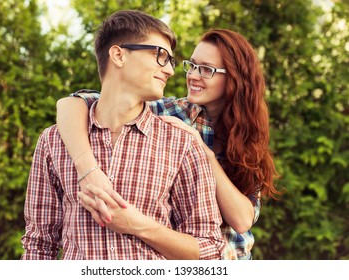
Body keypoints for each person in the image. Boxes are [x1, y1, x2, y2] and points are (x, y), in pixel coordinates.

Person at [56, 28, 281, 260]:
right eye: (191, 66)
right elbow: (71, 105)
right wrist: (88, 171)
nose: (193, 76)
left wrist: (203, 151)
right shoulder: (169, 112)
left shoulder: (249, 137)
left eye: (206, 70)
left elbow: (242, 220)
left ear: (235, 78)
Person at [21, 10, 224, 260]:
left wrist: (138, 224)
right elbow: (39, 244)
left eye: (171, 61)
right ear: (119, 55)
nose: (170, 71)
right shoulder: (54, 141)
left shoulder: (181, 144)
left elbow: (210, 250)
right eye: (160, 56)